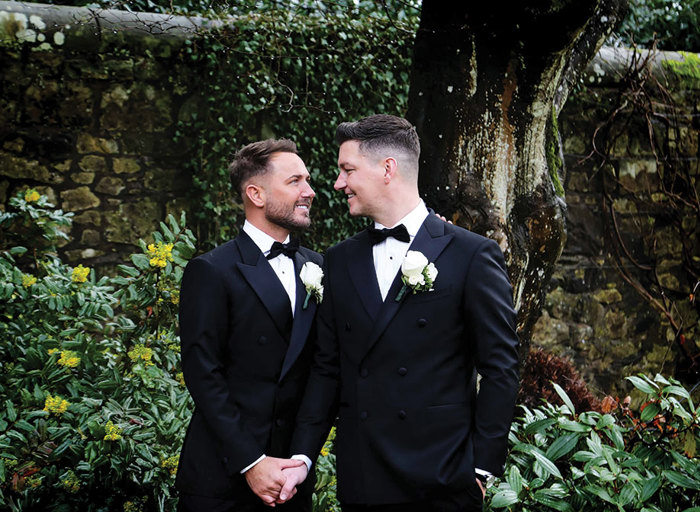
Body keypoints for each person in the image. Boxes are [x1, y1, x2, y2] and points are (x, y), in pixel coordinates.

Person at [282, 114, 520, 511]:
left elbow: (500, 366)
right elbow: (327, 368)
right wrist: (302, 457)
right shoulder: (338, 261)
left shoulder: (471, 254)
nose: (338, 183)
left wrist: (481, 470)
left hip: (443, 480)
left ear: (387, 169)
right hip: (364, 480)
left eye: (347, 170)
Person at [175, 138, 322, 512]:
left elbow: (325, 370)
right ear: (255, 193)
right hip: (221, 479)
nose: (310, 191)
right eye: (295, 182)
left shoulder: (319, 268)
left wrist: (301, 460)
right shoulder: (211, 271)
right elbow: (203, 374)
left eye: (307, 180)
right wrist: (251, 462)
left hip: (292, 481)